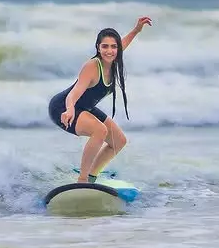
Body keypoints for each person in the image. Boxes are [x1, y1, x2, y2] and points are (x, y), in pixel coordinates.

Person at [48, 16, 152, 183]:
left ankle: (91, 176)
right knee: (100, 130)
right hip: (63, 107)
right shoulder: (92, 66)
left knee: (118, 141)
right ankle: (82, 180)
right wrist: (69, 109)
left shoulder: (113, 60)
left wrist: (136, 30)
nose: (109, 51)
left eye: (113, 46)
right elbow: (74, 92)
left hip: (85, 108)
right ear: (98, 47)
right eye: (105, 46)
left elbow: (123, 43)